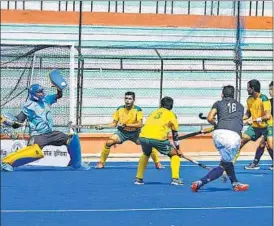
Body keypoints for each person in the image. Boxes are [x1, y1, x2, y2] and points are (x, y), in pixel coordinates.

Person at [1, 82, 89, 171]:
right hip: (38, 135)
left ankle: (76, 164)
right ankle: (6, 162)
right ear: (33, 94)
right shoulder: (28, 106)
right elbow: (18, 122)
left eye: (42, 91)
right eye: (39, 92)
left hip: (51, 133)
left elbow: (59, 95)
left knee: (71, 139)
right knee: (34, 151)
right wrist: (7, 121)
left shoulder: (46, 100)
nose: (42, 93)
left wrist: (59, 88)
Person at [191, 85, 249, 192]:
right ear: (233, 95)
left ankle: (235, 183)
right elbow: (237, 120)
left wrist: (215, 124)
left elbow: (209, 118)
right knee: (223, 165)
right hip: (233, 136)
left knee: (226, 161)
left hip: (218, 134)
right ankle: (200, 182)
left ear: (222, 94)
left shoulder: (218, 103)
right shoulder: (240, 106)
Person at [95, 91, 164, 169]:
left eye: (130, 99)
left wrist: (126, 125)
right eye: (126, 98)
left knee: (149, 144)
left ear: (134, 100)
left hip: (136, 133)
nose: (127, 100)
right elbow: (114, 124)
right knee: (109, 142)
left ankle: (157, 163)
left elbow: (140, 125)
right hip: (122, 133)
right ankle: (101, 163)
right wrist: (103, 126)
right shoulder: (119, 109)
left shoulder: (138, 110)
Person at [134, 96, 183, 186]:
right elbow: (175, 134)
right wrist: (178, 149)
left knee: (146, 153)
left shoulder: (154, 112)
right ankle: (175, 179)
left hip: (143, 137)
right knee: (174, 154)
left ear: (161, 104)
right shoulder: (171, 114)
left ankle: (139, 178)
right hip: (158, 138)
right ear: (171, 106)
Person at [245, 81, 273, 170]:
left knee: (269, 145)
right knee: (263, 144)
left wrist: (255, 120)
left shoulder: (265, 99)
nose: (270, 91)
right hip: (267, 126)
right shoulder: (269, 101)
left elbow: (268, 116)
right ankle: (255, 163)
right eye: (269, 89)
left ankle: (255, 163)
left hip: (269, 126)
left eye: (272, 89)